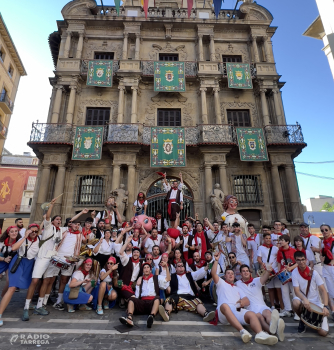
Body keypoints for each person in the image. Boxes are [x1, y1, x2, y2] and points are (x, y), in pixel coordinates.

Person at [211, 252, 278, 345]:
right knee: (224, 306)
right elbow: (213, 273)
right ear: (225, 276)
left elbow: (246, 300)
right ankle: (242, 331)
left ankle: (260, 334)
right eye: (228, 274)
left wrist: (242, 302)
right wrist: (216, 261)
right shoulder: (221, 283)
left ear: (234, 276)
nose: (230, 275)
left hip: (235, 310)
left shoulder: (237, 287)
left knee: (251, 314)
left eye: (232, 274)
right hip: (223, 313)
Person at [0, 225, 40, 325]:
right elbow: (14, 248)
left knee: (9, 285)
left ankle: (2, 302)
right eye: (32, 230)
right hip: (17, 263)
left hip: (27, 264)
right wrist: (25, 237)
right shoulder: (22, 239)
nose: (33, 232)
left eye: (36, 231)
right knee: (12, 287)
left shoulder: (39, 240)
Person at [43, 218, 84, 311]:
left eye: (78, 225)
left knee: (64, 280)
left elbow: (80, 246)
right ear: (71, 224)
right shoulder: (64, 231)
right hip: (57, 257)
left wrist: (75, 259)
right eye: (75, 224)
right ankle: (44, 301)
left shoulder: (79, 235)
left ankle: (59, 301)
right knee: (50, 279)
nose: (76, 226)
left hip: (70, 260)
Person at [236, 264, 285, 341]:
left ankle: (273, 324)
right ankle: (274, 331)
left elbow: (265, 277)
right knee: (260, 318)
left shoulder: (256, 280)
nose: (246, 273)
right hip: (251, 308)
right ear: (241, 274)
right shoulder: (238, 284)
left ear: (250, 272)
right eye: (243, 271)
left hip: (261, 305)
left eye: (247, 271)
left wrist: (268, 270)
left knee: (268, 313)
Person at [120, 261, 170, 328]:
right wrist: (130, 304)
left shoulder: (156, 278)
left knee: (157, 298)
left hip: (152, 303)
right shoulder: (140, 280)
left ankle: (151, 317)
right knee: (131, 299)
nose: (146, 269)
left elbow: (168, 279)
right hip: (142, 302)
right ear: (143, 270)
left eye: (148, 267)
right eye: (144, 268)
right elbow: (137, 296)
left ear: (150, 269)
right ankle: (129, 318)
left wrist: (166, 267)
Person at [292, 250, 330, 335]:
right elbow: (296, 291)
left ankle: (311, 320)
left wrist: (326, 306)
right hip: (302, 299)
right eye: (298, 260)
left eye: (303, 259)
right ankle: (302, 320)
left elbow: (323, 290)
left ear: (306, 260)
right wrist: (304, 299)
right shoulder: (294, 272)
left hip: (315, 301)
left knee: (323, 333)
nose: (301, 262)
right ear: (295, 261)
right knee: (295, 302)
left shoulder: (314, 272)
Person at [257, 233, 284, 312]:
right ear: (263, 239)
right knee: (270, 289)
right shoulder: (261, 248)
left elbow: (279, 257)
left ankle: (281, 306)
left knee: (278, 289)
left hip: (275, 270)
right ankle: (272, 306)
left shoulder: (275, 248)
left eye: (269, 238)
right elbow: (259, 258)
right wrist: (262, 264)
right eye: (266, 238)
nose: (268, 240)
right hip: (267, 270)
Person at [277, 234, 297, 317]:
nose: (280, 242)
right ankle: (288, 310)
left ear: (287, 242)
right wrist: (279, 272)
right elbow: (278, 262)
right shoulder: (279, 251)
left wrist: (291, 268)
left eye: (282, 240)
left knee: (295, 292)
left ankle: (297, 310)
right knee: (284, 293)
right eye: (280, 240)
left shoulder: (293, 251)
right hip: (284, 275)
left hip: (293, 274)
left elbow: (297, 262)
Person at [0, 226, 21, 298]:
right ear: (8, 233)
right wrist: (4, 259)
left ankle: (2, 297)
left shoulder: (19, 241)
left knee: (9, 282)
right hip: (1, 261)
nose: (14, 233)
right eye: (12, 232)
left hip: (11, 263)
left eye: (16, 231)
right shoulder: (2, 242)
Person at [320, 224, 334, 321]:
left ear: (330, 231)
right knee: (331, 291)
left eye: (326, 230)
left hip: (333, 267)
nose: (324, 232)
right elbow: (321, 254)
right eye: (322, 230)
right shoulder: (322, 243)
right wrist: (322, 259)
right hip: (326, 268)